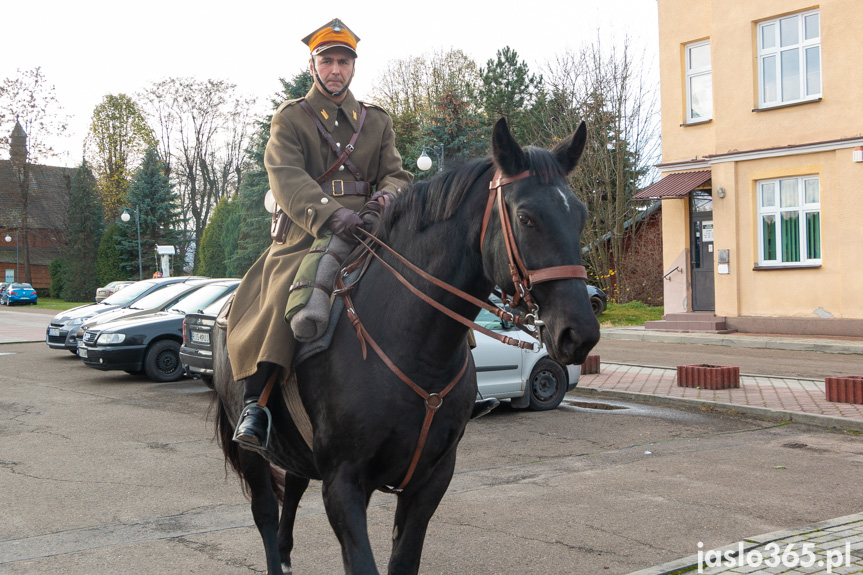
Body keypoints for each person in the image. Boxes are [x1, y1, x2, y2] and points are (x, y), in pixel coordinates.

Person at [227, 18, 497, 450]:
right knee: (282, 292)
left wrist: (383, 203)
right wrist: (333, 216)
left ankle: (463, 388)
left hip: (375, 228)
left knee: (433, 279)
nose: (335, 69)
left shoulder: (375, 121)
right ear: (313, 64)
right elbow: (286, 177)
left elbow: (397, 174)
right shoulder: (292, 118)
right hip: (308, 230)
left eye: (343, 62)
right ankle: (255, 403)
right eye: (327, 60)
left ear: (353, 67)